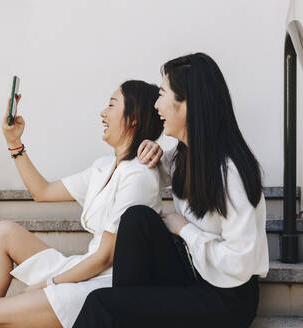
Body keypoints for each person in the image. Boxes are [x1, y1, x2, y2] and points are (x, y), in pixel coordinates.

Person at [73, 53, 270, 328]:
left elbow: (241, 262)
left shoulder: (230, 172)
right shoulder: (184, 155)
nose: (156, 105)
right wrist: (154, 150)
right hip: (193, 274)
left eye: (162, 94)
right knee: (137, 218)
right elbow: (162, 170)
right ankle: (127, 311)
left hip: (226, 299)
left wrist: (184, 229)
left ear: (188, 104)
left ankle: (123, 312)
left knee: (102, 303)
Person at [0, 80, 164, 328]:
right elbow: (42, 191)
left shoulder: (139, 176)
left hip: (102, 285)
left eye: (111, 106)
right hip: (81, 268)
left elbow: (104, 259)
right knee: (1, 232)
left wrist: (47, 284)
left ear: (134, 117)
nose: (102, 113)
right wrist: (13, 141)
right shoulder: (103, 167)